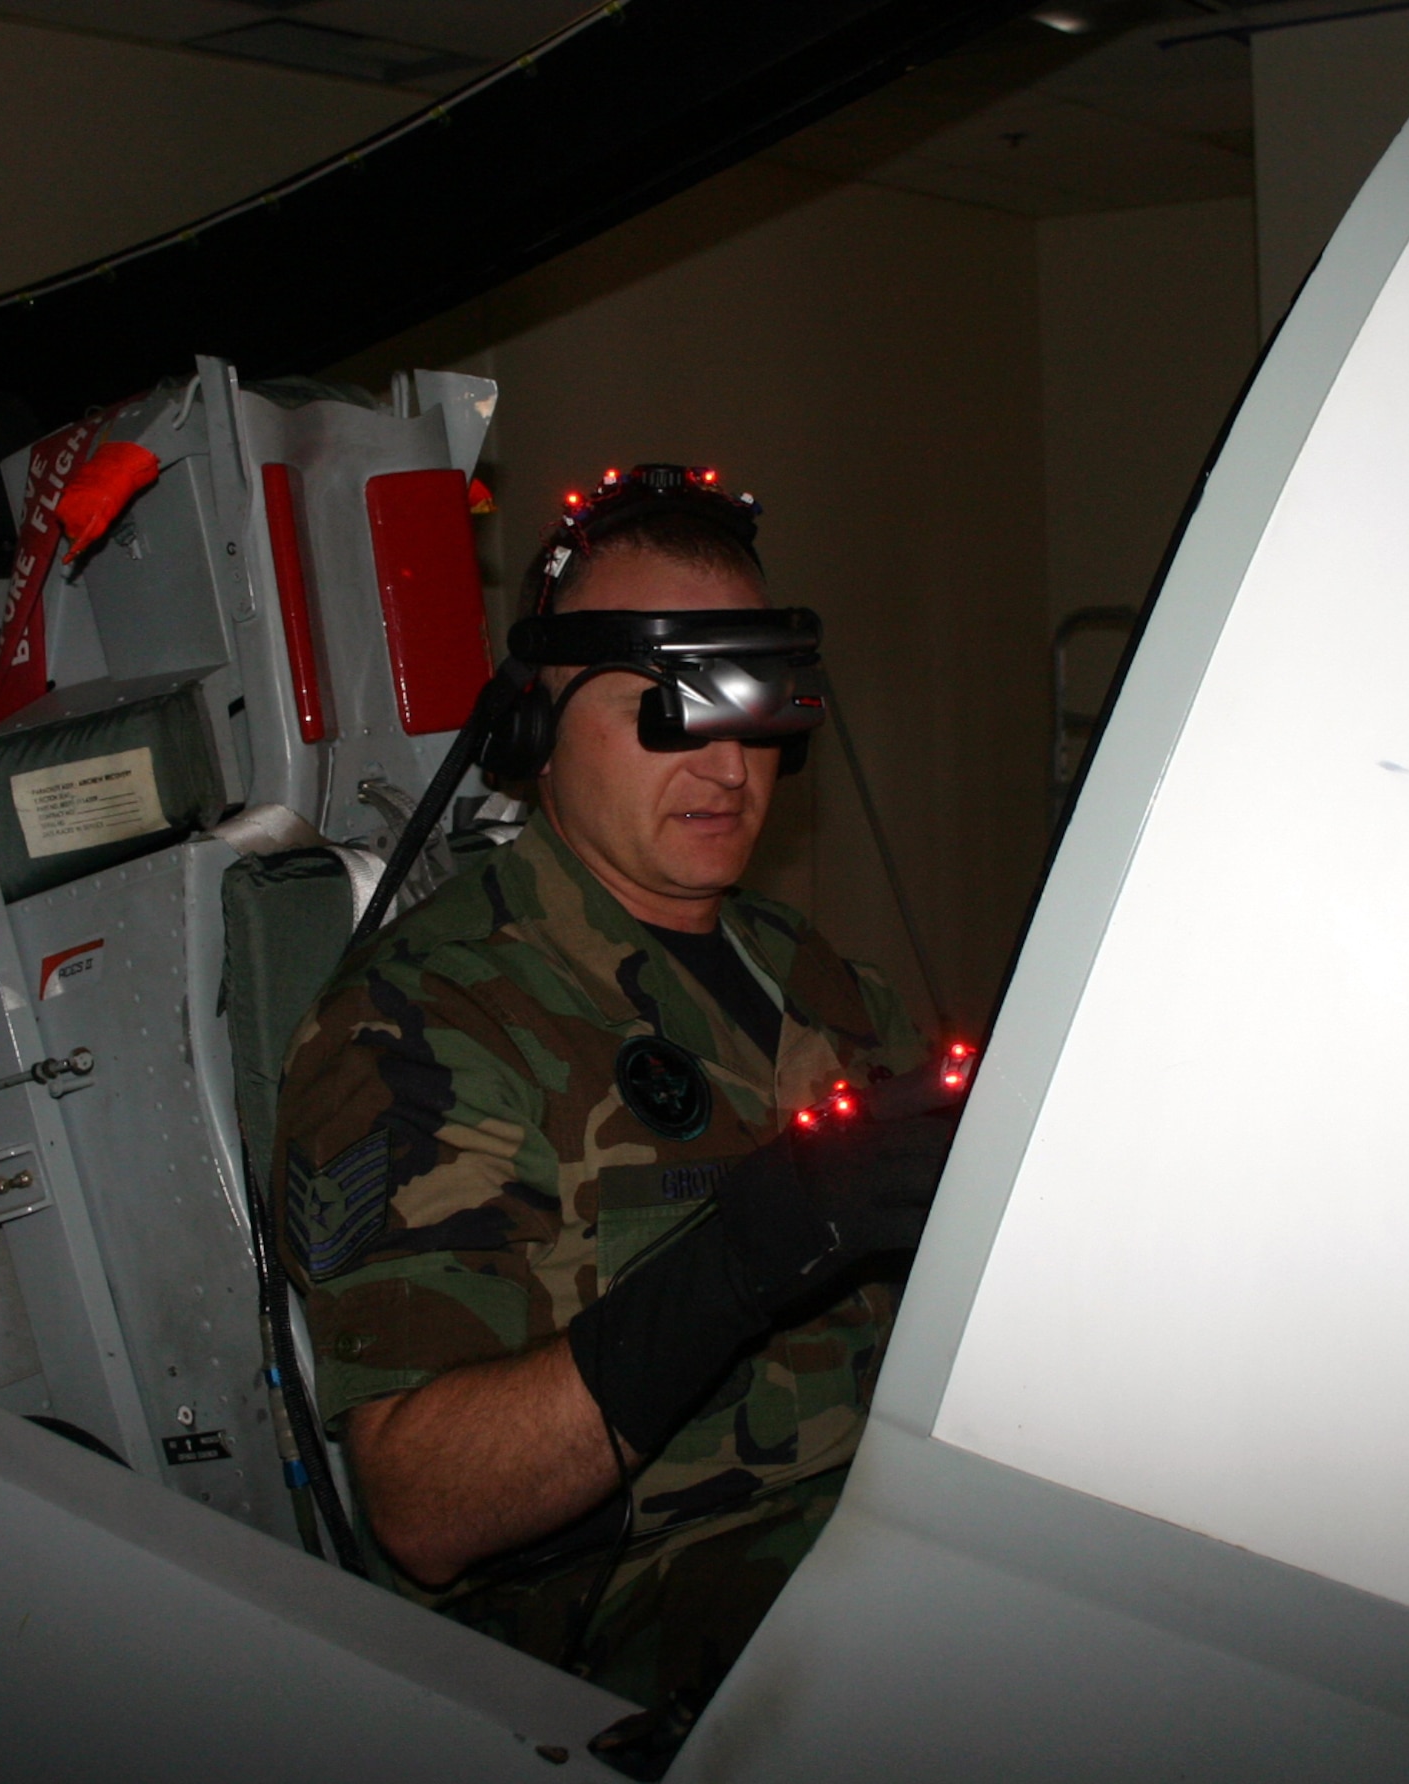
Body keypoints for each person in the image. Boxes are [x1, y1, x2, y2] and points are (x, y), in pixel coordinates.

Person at [272, 465, 954, 1713]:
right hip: (625, 1625)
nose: (726, 762)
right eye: (666, 707)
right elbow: (421, 1504)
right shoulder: (423, 1021)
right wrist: (740, 1256)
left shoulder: (821, 980)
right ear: (533, 724)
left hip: (894, 1537)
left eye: (751, 710)